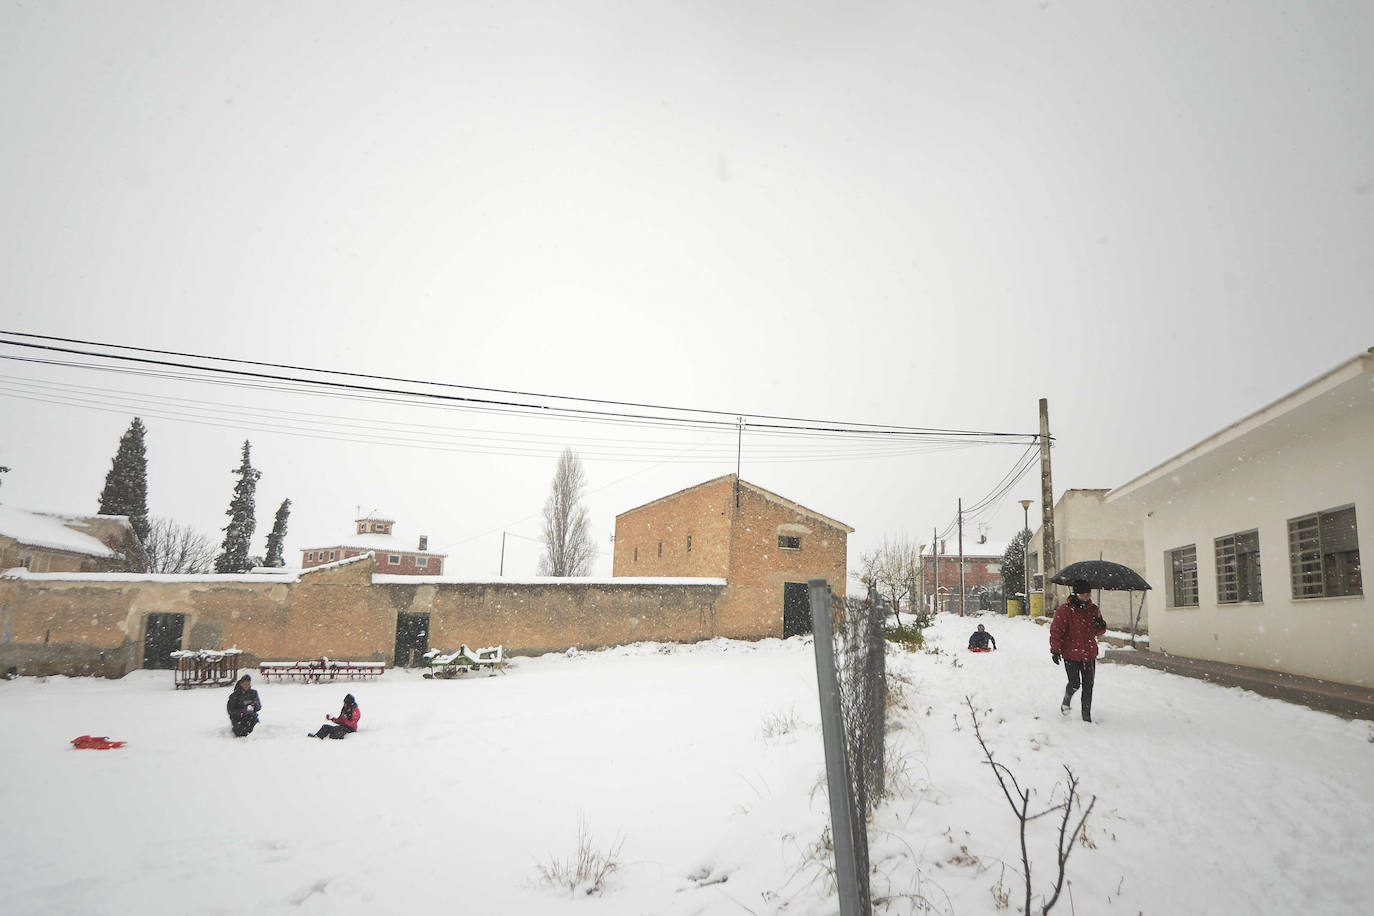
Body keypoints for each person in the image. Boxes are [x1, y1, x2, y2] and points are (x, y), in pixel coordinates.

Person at [1049, 579, 1108, 722]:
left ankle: (1086, 716)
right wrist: (1055, 650)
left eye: (1088, 593)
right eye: (1083, 594)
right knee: (1075, 683)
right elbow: (1056, 631)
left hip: (1089, 654)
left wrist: (1101, 625)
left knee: (1088, 686)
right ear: (1076, 594)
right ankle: (1067, 698)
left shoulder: (1094, 609)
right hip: (1071, 654)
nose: (1086, 596)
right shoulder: (1065, 610)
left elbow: (1100, 631)